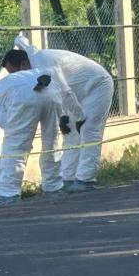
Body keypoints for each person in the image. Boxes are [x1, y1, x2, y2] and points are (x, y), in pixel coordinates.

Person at [13, 36, 115, 192]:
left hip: (98, 85)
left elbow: (64, 91)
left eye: (16, 73)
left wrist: (80, 117)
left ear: (24, 64)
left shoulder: (44, 64)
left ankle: (86, 180)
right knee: (71, 133)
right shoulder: (34, 69)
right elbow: (51, 95)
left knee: (89, 130)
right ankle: (68, 179)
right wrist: (64, 117)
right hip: (78, 92)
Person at [0, 50, 65, 205]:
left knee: (15, 147)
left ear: (24, 63)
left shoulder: (9, 81)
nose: (10, 74)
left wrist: (12, 127)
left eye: (11, 70)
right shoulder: (43, 71)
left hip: (25, 97)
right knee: (52, 142)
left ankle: (8, 195)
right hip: (52, 95)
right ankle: (54, 187)